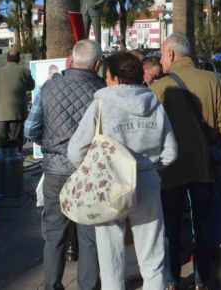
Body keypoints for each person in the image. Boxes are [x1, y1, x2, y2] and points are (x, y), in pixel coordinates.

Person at [68, 52, 178, 290]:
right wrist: (149, 167)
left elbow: (75, 150)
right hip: (147, 181)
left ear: (115, 78)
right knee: (153, 255)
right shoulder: (155, 105)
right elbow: (171, 152)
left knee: (111, 258)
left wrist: (92, 169)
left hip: (110, 182)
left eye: (107, 75)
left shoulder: (100, 105)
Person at [150, 34, 221, 290]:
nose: (162, 60)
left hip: (170, 169)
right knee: (204, 223)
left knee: (172, 226)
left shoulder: (160, 87)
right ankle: (202, 279)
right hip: (204, 165)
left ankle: (173, 279)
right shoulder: (213, 80)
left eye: (163, 54)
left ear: (172, 54)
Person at [24, 40, 104, 290]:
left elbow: (30, 128)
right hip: (88, 173)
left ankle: (52, 284)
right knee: (89, 236)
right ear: (97, 64)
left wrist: (48, 144)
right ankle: (88, 286)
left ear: (71, 60)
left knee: (54, 234)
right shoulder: (102, 91)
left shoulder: (49, 87)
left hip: (55, 170)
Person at [0, 48, 35, 149]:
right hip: (18, 113)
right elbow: (31, 86)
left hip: (1, 114)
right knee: (16, 142)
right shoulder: (25, 71)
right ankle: (16, 162)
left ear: (7, 59)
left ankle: (1, 162)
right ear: (18, 59)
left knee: (1, 142)